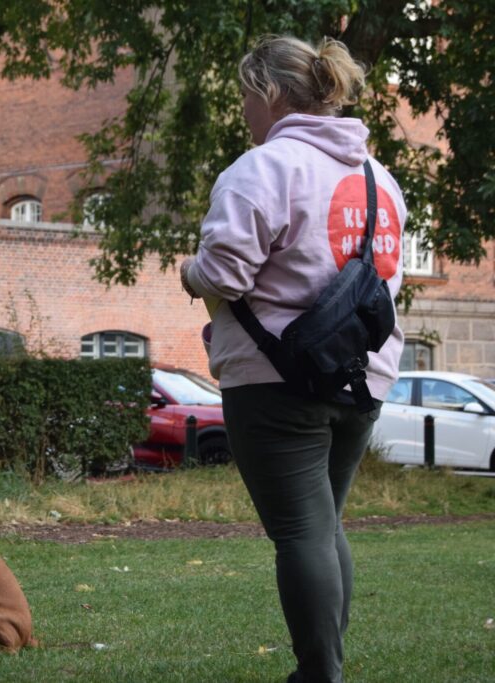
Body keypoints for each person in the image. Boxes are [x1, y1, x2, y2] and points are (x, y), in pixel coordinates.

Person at [180, 35, 406, 683]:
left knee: (302, 532)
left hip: (275, 381)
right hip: (364, 377)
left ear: (269, 93)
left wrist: (189, 273)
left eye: (246, 98)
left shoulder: (263, 168)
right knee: (324, 525)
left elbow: (223, 274)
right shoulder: (377, 176)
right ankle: (324, 666)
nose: (245, 113)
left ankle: (319, 673)